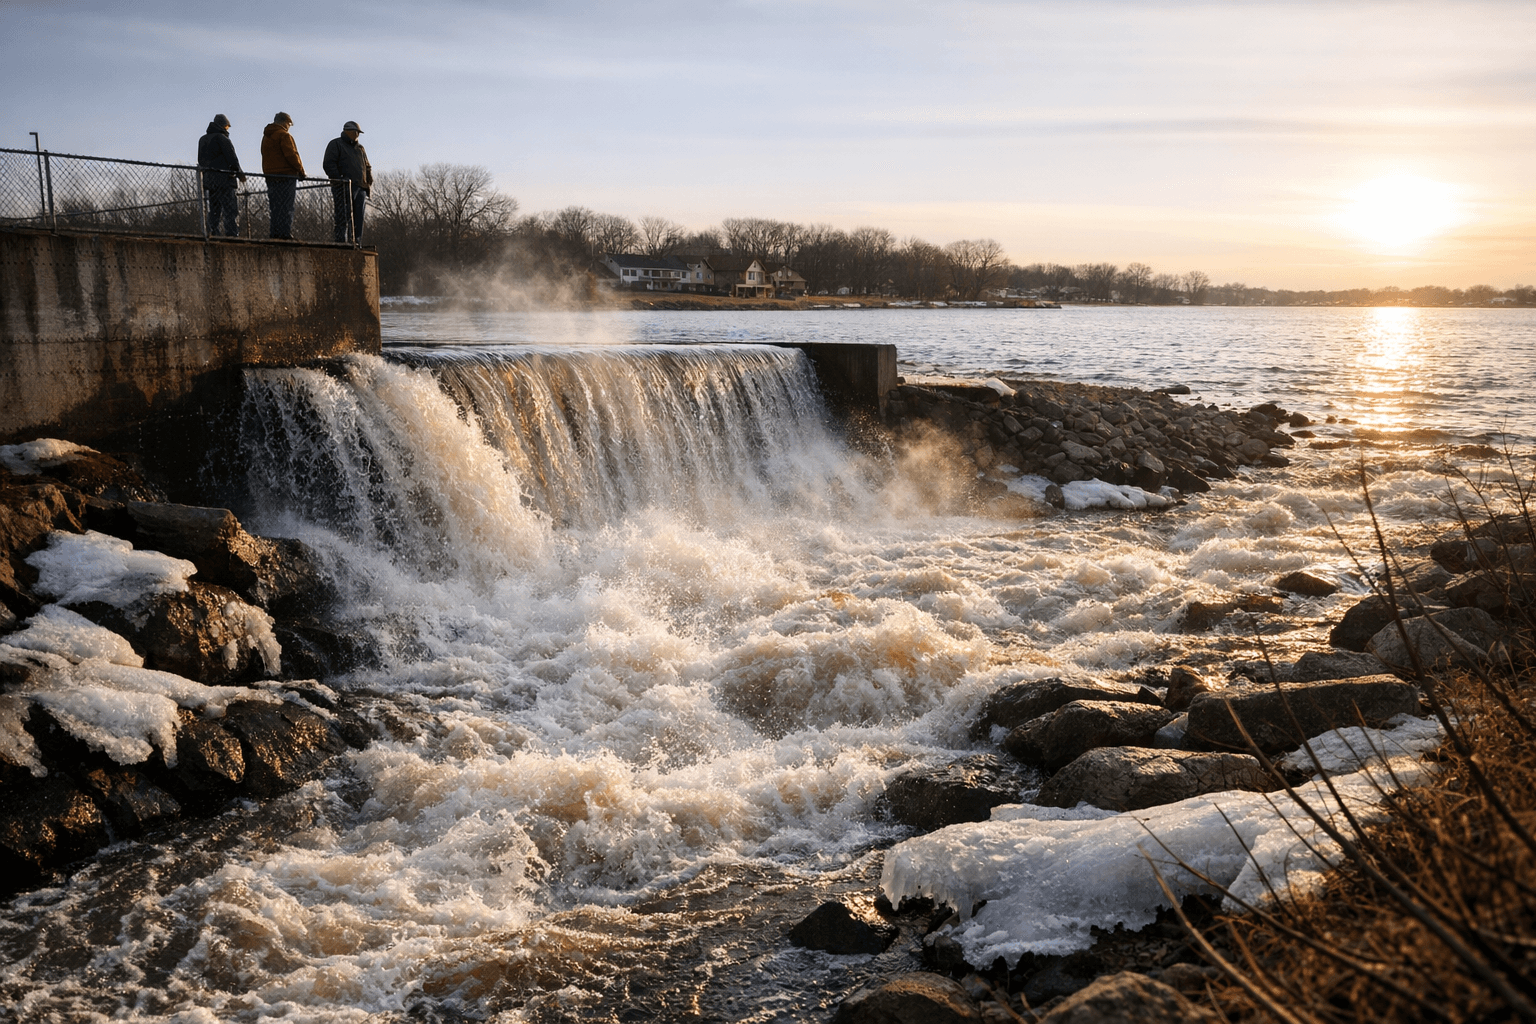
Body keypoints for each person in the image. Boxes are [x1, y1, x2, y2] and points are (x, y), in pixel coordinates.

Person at [322, 120, 372, 243]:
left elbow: (367, 165)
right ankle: (342, 241)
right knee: (343, 215)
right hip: (343, 187)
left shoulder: (360, 148)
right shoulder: (336, 144)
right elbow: (329, 164)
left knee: (358, 218)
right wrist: (339, 179)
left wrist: (369, 180)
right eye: (356, 132)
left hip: (360, 187)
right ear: (349, 131)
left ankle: (356, 242)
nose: (358, 135)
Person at [197, 114, 246, 237]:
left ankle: (214, 232)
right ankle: (232, 234)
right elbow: (232, 159)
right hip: (225, 180)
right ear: (223, 125)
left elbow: (201, 160)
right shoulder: (222, 138)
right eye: (226, 126)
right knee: (230, 209)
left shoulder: (203, 140)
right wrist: (240, 174)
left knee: (214, 209)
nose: (227, 129)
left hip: (210, 180)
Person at [260, 112, 305, 239]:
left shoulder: (266, 137)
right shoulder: (284, 135)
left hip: (271, 176)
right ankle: (284, 233)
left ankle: (275, 233)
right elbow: (292, 155)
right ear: (285, 122)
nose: (289, 126)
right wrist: (301, 170)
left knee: (275, 207)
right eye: (289, 124)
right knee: (286, 207)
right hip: (286, 175)